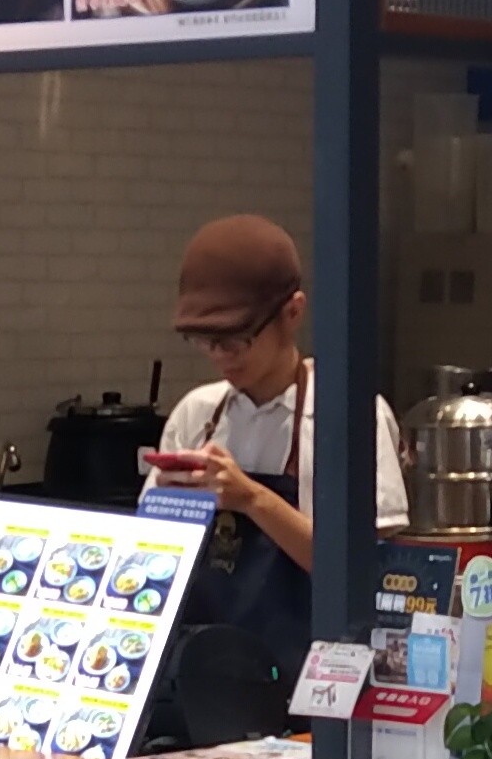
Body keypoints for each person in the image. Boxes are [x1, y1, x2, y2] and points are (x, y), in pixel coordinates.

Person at [142, 216, 407, 712]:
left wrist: (252, 499)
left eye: (236, 339)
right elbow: (153, 564)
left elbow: (371, 576)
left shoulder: (348, 417)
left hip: (312, 692)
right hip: (200, 689)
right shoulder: (197, 415)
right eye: (205, 341)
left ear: (293, 312)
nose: (220, 356)